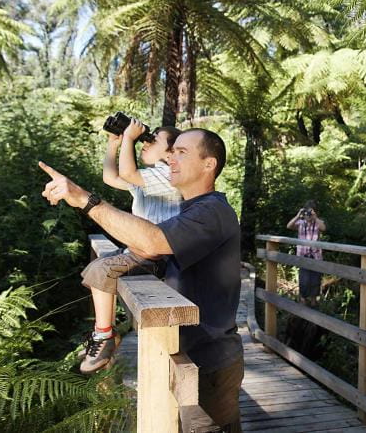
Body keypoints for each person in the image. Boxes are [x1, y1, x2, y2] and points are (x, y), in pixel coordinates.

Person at [39, 128, 243, 431]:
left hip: (208, 362)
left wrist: (84, 198)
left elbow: (153, 240)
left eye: (182, 152)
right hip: (187, 352)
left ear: (208, 164)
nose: (172, 157)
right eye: (172, 151)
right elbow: (146, 242)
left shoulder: (211, 211)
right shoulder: (192, 210)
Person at [78, 119, 182, 374]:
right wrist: (114, 144)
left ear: (171, 154)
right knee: (95, 269)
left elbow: (126, 173)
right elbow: (111, 176)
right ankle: (103, 332)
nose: (146, 143)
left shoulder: (167, 175)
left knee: (100, 271)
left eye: (153, 139)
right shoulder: (149, 178)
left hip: (157, 256)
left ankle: (104, 336)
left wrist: (129, 139)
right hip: (140, 249)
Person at [286, 200, 326, 306]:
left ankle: (313, 301)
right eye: (307, 213)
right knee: (304, 279)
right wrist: (298, 215)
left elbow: (323, 228)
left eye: (310, 213)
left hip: (316, 256)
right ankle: (303, 300)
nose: (308, 215)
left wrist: (315, 217)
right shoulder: (300, 223)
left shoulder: (317, 223)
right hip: (303, 255)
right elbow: (289, 226)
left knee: (315, 279)